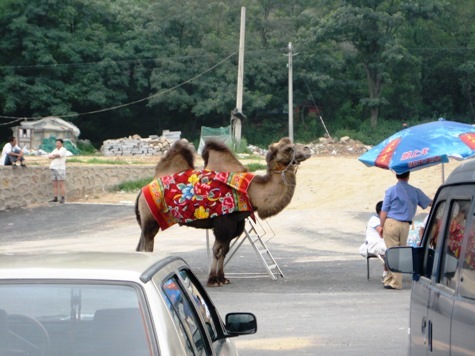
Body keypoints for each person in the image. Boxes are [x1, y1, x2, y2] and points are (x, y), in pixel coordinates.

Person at [380, 171, 432, 290]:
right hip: (405, 225)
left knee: (392, 251)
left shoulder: (391, 190)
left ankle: (396, 282)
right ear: (408, 175)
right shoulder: (415, 190)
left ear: (396, 175)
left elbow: (384, 210)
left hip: (391, 222)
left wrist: (381, 226)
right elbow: (429, 202)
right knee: (400, 252)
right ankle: (389, 279)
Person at [359, 201, 387, 280]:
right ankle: (386, 273)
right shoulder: (374, 219)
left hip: (382, 243)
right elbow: (381, 232)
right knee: (388, 249)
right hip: (374, 244)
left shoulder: (387, 220)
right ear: (381, 212)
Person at [48, 139, 67, 203]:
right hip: (53, 168)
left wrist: (54, 155)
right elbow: (49, 156)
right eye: (56, 143)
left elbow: (58, 155)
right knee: (55, 184)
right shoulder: (55, 150)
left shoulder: (63, 149)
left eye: (58, 143)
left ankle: (62, 198)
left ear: (62, 144)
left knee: (61, 184)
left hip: (60, 168)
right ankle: (55, 197)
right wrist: (54, 156)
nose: (57, 144)